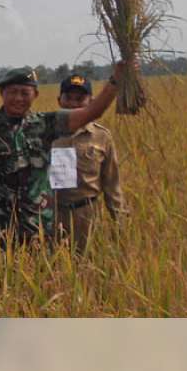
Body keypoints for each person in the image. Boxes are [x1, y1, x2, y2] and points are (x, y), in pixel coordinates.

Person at [0, 63, 131, 258]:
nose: (18, 98)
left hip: (35, 225)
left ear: (35, 95)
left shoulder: (45, 124)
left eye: (25, 93)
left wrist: (116, 80)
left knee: (36, 277)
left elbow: (91, 113)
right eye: (12, 92)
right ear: (1, 93)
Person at [52, 74, 126, 252]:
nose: (73, 103)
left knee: (87, 266)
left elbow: (112, 184)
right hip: (52, 214)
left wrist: (121, 222)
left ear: (91, 101)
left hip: (87, 213)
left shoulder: (101, 136)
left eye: (80, 99)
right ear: (59, 100)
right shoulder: (46, 133)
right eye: (68, 98)